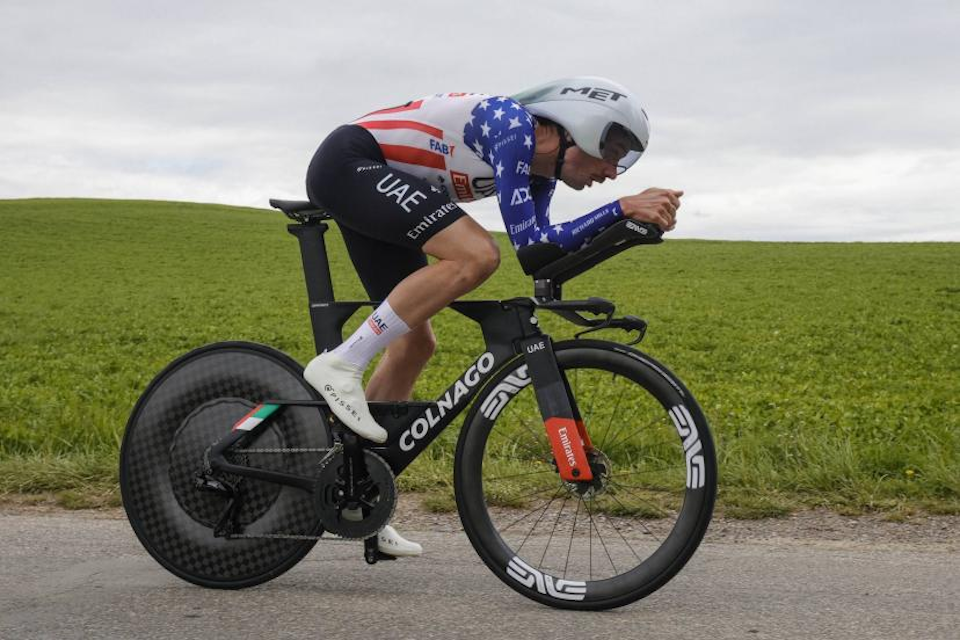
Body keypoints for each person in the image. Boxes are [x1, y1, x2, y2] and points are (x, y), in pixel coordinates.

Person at [302, 76, 682, 557]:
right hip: (350, 162)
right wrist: (620, 207)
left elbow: (540, 255)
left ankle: (357, 492)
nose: (613, 169)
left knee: (416, 345)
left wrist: (626, 225)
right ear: (580, 125)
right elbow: (522, 249)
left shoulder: (538, 174)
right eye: (613, 149)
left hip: (386, 183)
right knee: (477, 254)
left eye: (624, 162)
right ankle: (340, 364)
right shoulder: (512, 127)